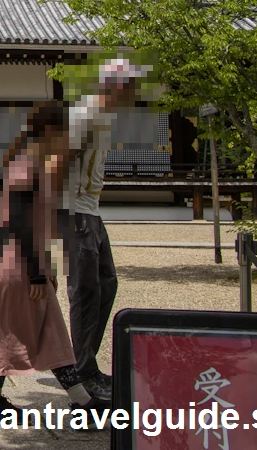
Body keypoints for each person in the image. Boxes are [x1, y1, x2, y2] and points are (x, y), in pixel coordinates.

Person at [0, 104, 106, 421]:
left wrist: (45, 269)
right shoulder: (28, 165)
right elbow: (20, 222)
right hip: (19, 263)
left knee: (33, 330)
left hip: (17, 261)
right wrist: (36, 273)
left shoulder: (27, 162)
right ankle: (82, 402)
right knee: (39, 329)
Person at [64, 58, 143, 400]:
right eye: (128, 86)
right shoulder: (84, 116)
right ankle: (83, 371)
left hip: (91, 210)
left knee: (106, 283)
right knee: (85, 290)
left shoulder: (103, 118)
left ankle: (87, 362)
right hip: (76, 211)